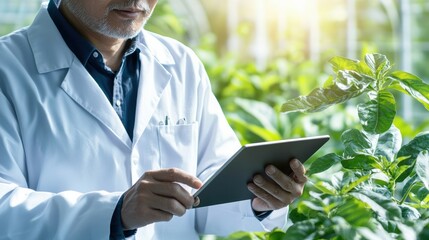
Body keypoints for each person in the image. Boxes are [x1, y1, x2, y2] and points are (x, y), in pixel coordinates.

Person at [0, 0, 307, 239]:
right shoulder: (8, 70)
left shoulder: (181, 64)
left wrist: (260, 200)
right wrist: (114, 213)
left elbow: (206, 195)